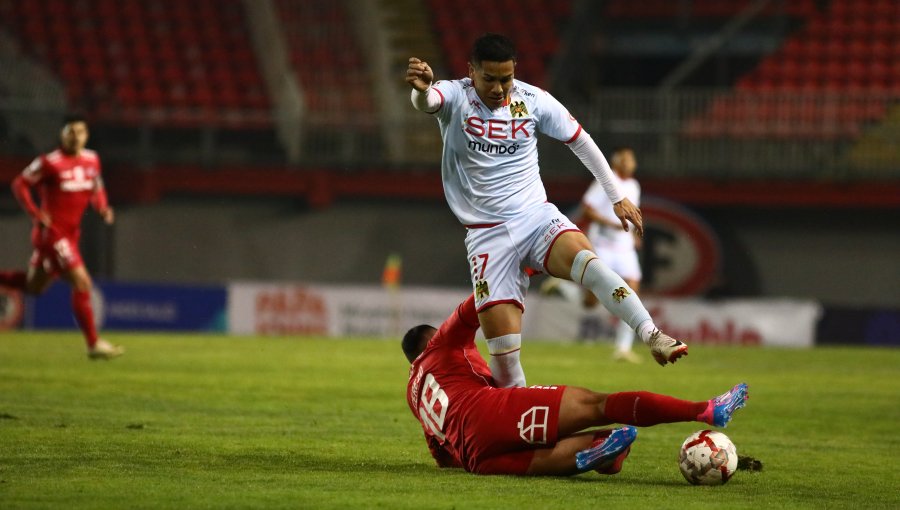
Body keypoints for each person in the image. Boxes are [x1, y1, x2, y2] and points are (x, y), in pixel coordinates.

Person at [407, 34, 686, 388]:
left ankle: (652, 335)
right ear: (471, 72)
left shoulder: (533, 100)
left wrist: (615, 196)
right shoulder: (455, 95)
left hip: (535, 217)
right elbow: (428, 101)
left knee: (590, 263)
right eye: (489, 78)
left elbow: (580, 140)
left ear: (515, 72)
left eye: (505, 78)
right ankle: (521, 432)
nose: (498, 88)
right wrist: (420, 90)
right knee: (505, 358)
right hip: (486, 235)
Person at [403, 294, 749, 476]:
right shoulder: (441, 344)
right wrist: (512, 268)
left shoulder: (413, 392)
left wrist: (475, 448)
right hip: (487, 411)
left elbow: (442, 459)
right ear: (430, 340)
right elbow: (477, 302)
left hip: (476, 457)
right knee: (596, 404)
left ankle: (602, 456)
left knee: (545, 458)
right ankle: (706, 411)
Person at [0, 114, 123, 359]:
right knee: (82, 282)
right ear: (62, 134)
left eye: (80, 132)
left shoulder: (92, 160)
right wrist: (35, 213)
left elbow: (96, 188)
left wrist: (102, 207)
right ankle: (93, 344)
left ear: (86, 135)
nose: (75, 137)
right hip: (52, 234)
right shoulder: (50, 162)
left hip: (71, 234)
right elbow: (20, 184)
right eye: (70, 132)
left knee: (35, 287)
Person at [543, 147, 645, 363]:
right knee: (591, 302)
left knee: (632, 294)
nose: (629, 163)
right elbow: (587, 209)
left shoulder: (634, 186)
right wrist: (611, 223)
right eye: (625, 159)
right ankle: (563, 287)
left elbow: (632, 212)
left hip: (625, 248)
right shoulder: (605, 182)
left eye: (631, 159)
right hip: (603, 244)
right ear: (616, 163)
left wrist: (633, 234)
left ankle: (623, 348)